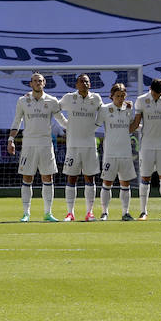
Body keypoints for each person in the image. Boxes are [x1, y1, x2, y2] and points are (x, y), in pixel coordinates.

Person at [9, 73, 68, 222]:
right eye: (35, 81)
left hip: (46, 144)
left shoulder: (52, 101)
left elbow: (62, 120)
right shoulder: (23, 100)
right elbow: (17, 120)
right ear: (30, 84)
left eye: (40, 81)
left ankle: (48, 213)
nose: (37, 83)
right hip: (28, 143)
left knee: (48, 177)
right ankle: (26, 213)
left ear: (44, 83)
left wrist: (74, 128)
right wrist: (11, 139)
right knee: (27, 177)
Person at [130, 78, 161, 220]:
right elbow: (136, 122)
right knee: (145, 177)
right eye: (155, 93)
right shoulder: (141, 100)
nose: (157, 95)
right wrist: (123, 130)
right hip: (147, 145)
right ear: (150, 89)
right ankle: (143, 212)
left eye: (159, 93)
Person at [58, 74, 103, 221]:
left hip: (90, 145)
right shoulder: (69, 98)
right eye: (81, 81)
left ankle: (89, 212)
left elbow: (104, 113)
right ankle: (70, 213)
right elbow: (54, 108)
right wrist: (65, 124)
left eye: (87, 81)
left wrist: (96, 126)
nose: (84, 83)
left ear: (90, 84)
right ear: (76, 84)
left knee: (90, 178)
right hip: (73, 146)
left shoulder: (96, 99)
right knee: (71, 178)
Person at [96, 84, 136, 220]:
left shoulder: (128, 109)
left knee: (125, 183)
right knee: (107, 183)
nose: (120, 99)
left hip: (125, 152)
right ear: (111, 96)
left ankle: (125, 212)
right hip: (110, 153)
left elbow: (131, 128)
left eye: (123, 96)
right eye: (118, 96)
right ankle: (104, 212)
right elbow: (95, 125)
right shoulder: (104, 109)